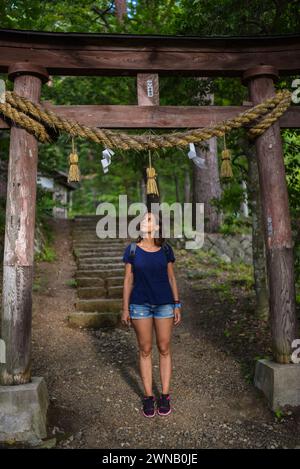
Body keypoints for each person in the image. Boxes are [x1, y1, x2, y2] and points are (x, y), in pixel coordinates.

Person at [122, 210, 182, 418]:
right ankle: (148, 396)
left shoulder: (165, 250)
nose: (145, 222)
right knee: (145, 349)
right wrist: (125, 308)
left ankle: (165, 395)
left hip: (165, 303)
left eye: (149, 219)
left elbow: (172, 278)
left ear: (156, 226)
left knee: (164, 347)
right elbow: (128, 280)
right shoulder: (131, 250)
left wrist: (177, 304)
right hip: (139, 305)